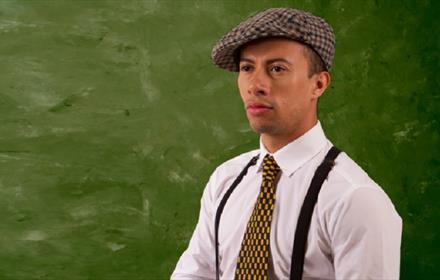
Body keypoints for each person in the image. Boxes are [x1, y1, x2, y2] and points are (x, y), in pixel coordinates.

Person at [171, 7, 402, 280]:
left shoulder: (354, 199)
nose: (255, 85)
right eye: (247, 68)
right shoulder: (226, 180)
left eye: (277, 68)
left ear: (318, 84)